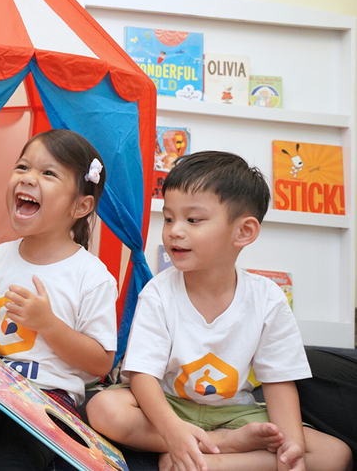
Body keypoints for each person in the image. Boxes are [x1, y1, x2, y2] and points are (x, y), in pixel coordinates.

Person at [85, 151, 353, 471]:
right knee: (104, 408)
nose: (174, 231)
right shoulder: (158, 293)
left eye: (193, 220)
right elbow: (143, 377)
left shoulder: (267, 298)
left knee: (335, 454)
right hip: (169, 407)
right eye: (169, 218)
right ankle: (221, 445)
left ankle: (210, 463)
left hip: (236, 412)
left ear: (243, 232)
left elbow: (279, 382)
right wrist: (173, 433)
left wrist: (292, 446)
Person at [0, 129, 118, 471]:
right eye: (23, 167)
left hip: (48, 400)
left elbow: (101, 364)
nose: (28, 178)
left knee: (16, 456)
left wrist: (48, 325)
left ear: (81, 206)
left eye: (48, 173)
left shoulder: (92, 276)